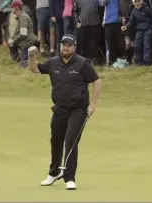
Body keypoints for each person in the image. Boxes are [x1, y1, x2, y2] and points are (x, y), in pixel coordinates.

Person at [27, 34, 101, 190]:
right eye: (63, 45)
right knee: (56, 140)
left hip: (78, 109)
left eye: (68, 45)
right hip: (59, 109)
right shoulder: (53, 63)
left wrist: (93, 104)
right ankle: (54, 173)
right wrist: (31, 55)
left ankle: (69, 177)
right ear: (60, 46)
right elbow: (34, 69)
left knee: (71, 140)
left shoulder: (82, 63)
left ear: (74, 47)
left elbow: (96, 81)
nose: (65, 48)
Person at [8, 0, 38, 67]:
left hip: (27, 42)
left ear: (16, 8)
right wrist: (12, 39)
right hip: (25, 41)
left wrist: (13, 40)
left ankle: (20, 60)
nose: (11, 8)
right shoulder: (21, 16)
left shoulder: (23, 17)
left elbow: (23, 34)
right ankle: (17, 59)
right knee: (11, 43)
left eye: (12, 7)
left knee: (24, 66)